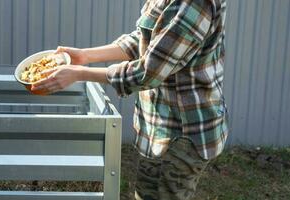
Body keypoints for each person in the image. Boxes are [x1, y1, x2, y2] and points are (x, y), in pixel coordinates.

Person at [32, 0, 228, 199]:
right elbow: (145, 39)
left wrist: (78, 73)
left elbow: (149, 71)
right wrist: (84, 56)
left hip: (181, 131)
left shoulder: (194, 3)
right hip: (160, 126)